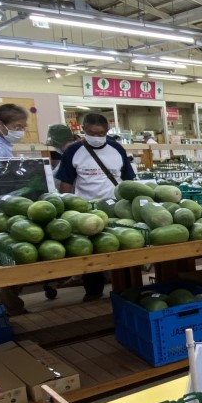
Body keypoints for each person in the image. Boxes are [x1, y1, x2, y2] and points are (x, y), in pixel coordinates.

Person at [57, 113, 136, 301]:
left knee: (121, 247)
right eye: (91, 133)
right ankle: (93, 292)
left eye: (100, 133)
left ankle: (126, 291)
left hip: (116, 208)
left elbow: (129, 180)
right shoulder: (73, 151)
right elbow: (66, 184)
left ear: (107, 131)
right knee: (90, 253)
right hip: (86, 209)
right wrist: (67, 207)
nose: (96, 136)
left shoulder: (117, 148)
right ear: (83, 130)